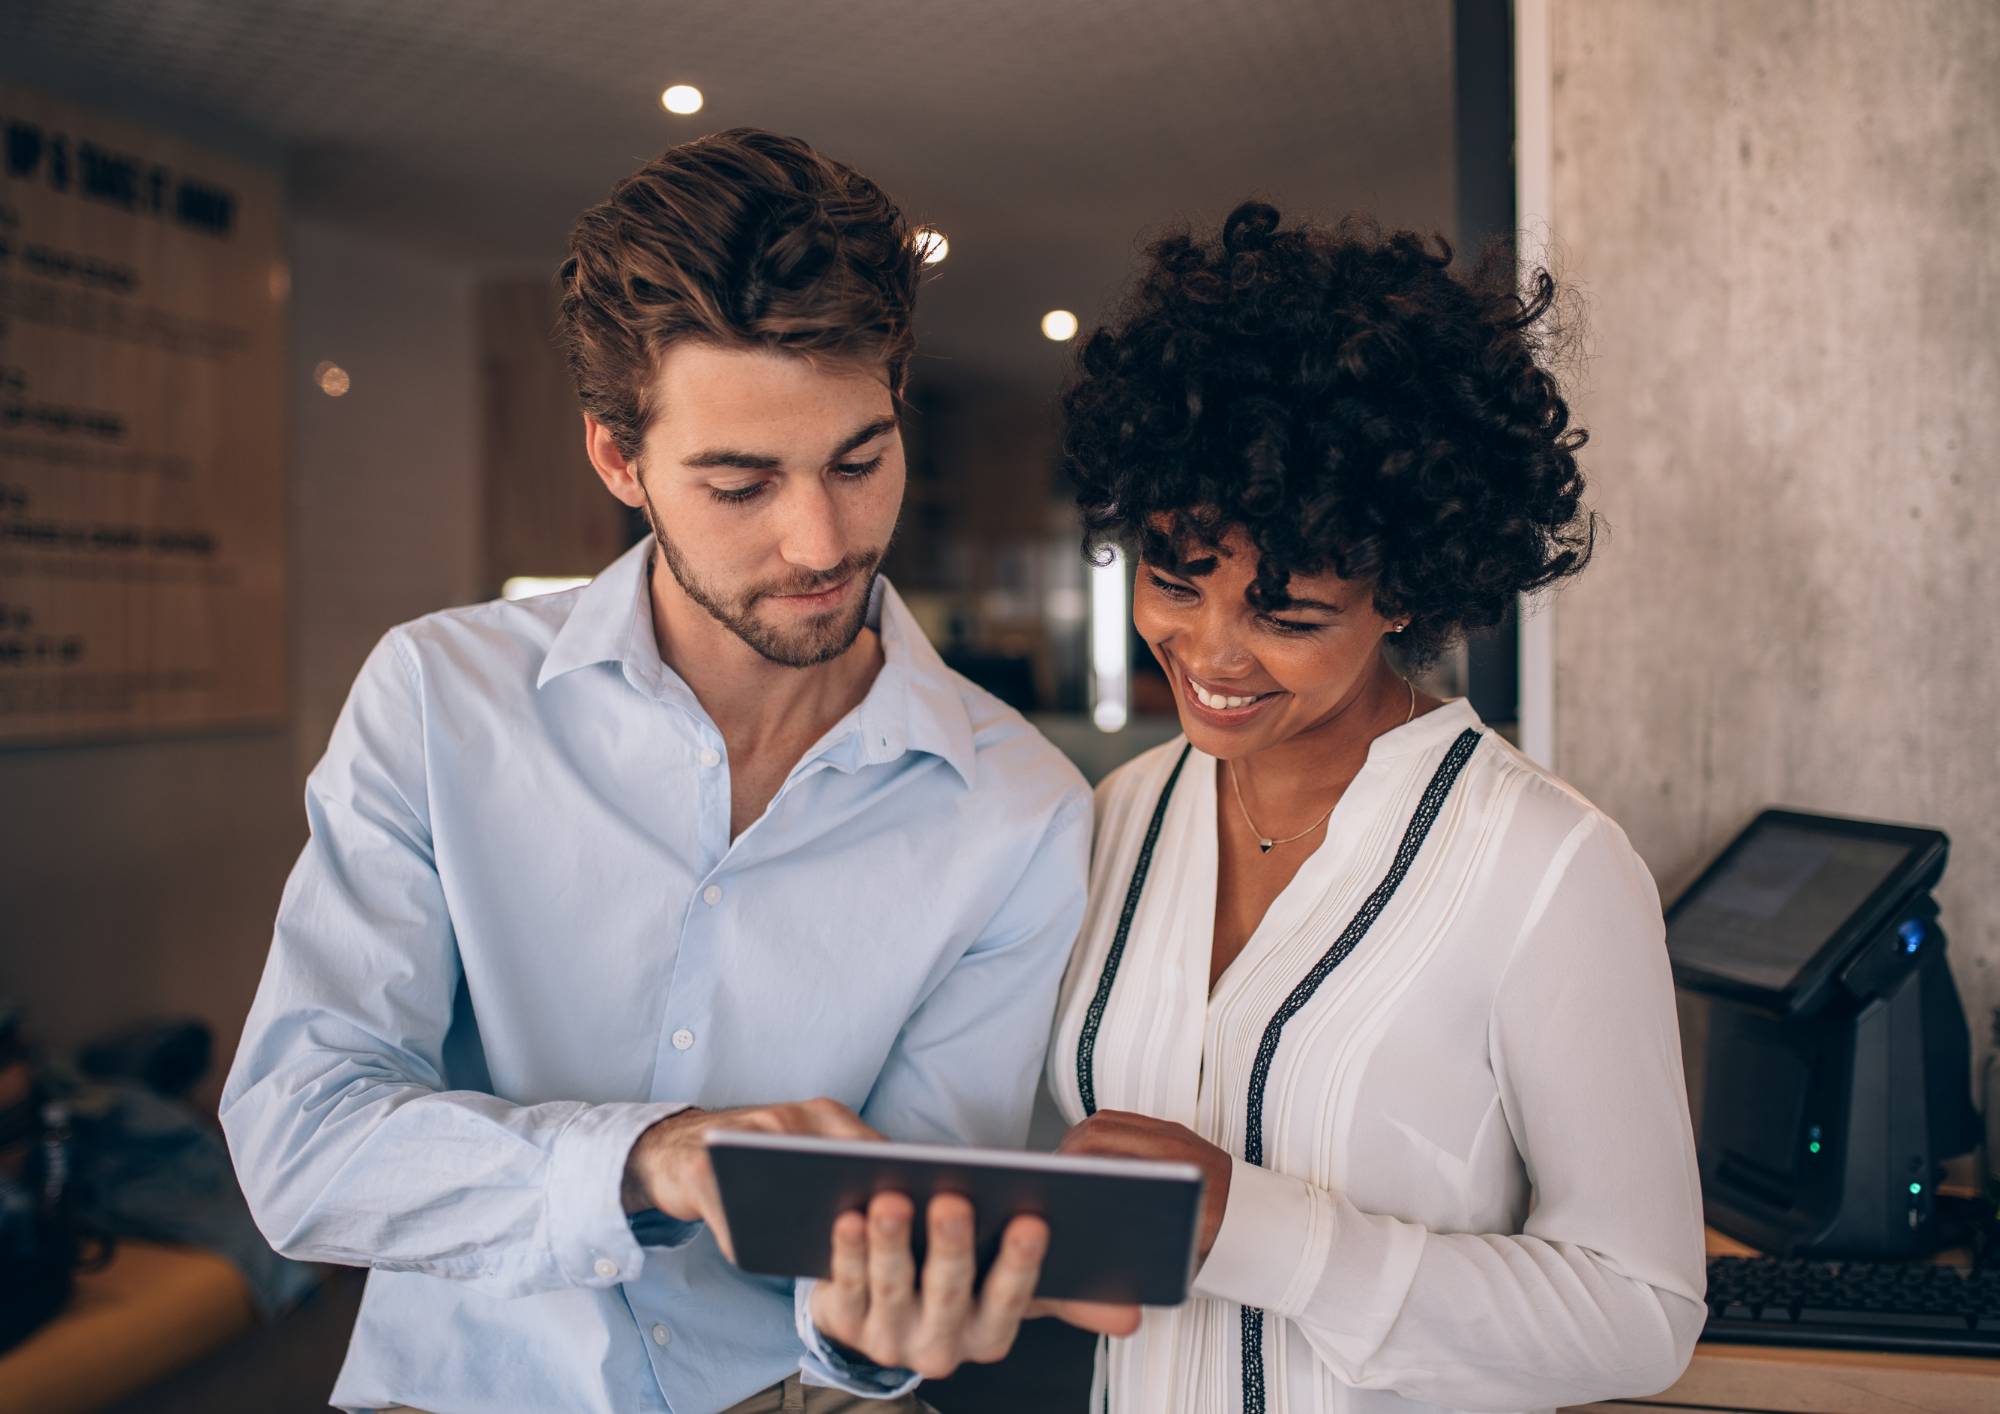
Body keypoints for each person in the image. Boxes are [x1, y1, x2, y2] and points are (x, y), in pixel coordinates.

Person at [221, 129, 1124, 1414]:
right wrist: (648, 1160)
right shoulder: (439, 699)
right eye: (740, 483)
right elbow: (300, 1143)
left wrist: (883, 1329)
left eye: (858, 462)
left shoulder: (1019, 806)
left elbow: (902, 1240)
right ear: (616, 459)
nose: (820, 540)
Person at [1041, 205, 1707, 1413]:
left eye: (1284, 616)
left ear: (1405, 587)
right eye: (1171, 581)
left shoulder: (1548, 867)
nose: (1206, 653)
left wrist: (1254, 1228)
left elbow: (1641, 1311)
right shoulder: (1118, 816)